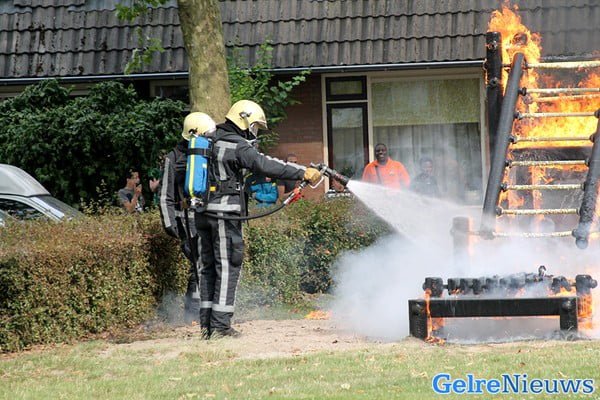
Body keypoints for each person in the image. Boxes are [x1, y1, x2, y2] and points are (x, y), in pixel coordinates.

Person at [194, 100, 321, 339]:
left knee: (208, 269)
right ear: (244, 120)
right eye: (254, 126)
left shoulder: (208, 139)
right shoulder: (237, 145)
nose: (254, 132)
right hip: (224, 213)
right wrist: (302, 171)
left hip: (202, 212)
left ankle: (207, 326)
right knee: (227, 266)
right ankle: (220, 327)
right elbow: (264, 164)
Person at [158, 112, 217, 325]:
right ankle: (193, 315)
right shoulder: (173, 158)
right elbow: (165, 195)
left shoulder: (208, 152)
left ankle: (208, 311)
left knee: (210, 263)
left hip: (209, 216)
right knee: (199, 264)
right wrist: (170, 224)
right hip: (186, 220)